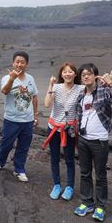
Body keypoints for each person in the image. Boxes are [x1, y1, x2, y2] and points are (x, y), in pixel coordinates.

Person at [73, 63, 112, 222]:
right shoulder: (81, 95)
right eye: (83, 75)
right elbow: (79, 116)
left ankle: (101, 206)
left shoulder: (103, 90)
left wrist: (110, 84)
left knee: (100, 175)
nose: (86, 76)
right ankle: (87, 202)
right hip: (83, 140)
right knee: (85, 172)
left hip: (99, 142)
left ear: (95, 76)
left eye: (89, 74)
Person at [0, 51, 38, 182]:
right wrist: (12, 79)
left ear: (26, 64)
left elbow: (34, 96)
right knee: (6, 143)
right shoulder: (6, 78)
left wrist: (35, 114)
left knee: (23, 146)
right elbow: (5, 91)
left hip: (27, 120)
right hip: (11, 119)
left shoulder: (31, 79)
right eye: (17, 62)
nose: (19, 64)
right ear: (13, 63)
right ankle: (0, 162)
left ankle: (19, 169)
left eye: (22, 62)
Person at [43, 62, 83, 201]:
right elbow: (47, 104)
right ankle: (56, 185)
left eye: (70, 71)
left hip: (70, 128)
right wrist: (50, 85)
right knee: (54, 157)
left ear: (75, 74)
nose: (68, 74)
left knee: (69, 158)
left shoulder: (80, 89)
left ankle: (70, 187)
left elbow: (92, 90)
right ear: (61, 74)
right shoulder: (56, 87)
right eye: (65, 72)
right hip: (54, 127)